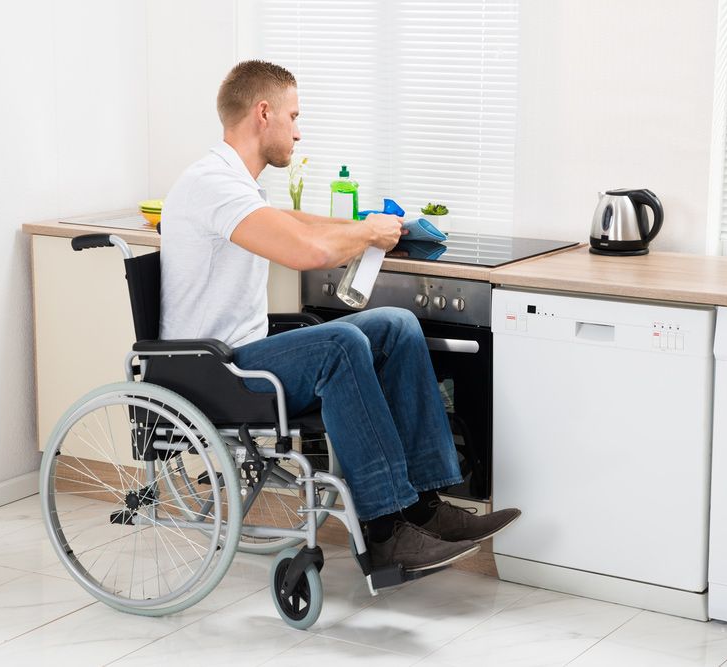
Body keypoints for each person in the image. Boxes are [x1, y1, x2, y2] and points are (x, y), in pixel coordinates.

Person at [160, 60, 520, 572]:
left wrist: (371, 225)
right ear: (264, 113)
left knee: (394, 325)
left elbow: (296, 221)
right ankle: (385, 529)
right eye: (294, 115)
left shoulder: (234, 182)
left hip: (243, 352)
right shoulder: (211, 183)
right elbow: (304, 249)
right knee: (341, 346)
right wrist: (368, 236)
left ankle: (425, 507)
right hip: (213, 369)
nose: (298, 131)